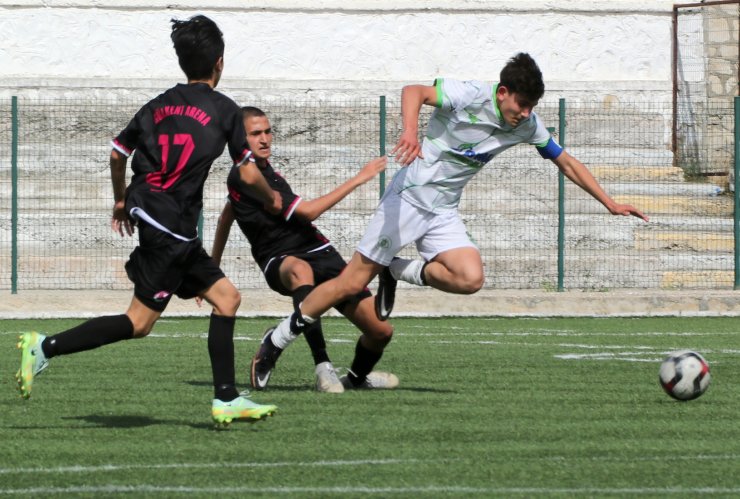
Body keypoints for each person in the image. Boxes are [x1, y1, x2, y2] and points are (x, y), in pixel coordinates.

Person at [267, 52, 649, 378]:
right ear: (502, 93)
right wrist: (410, 132)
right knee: (349, 284)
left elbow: (565, 161)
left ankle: (396, 270)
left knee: (470, 278)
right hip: (411, 196)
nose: (526, 114)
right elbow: (413, 91)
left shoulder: (527, 125)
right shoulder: (469, 95)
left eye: (532, 107)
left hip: (443, 210)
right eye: (521, 104)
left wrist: (609, 202)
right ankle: (276, 340)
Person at [15, 15, 280, 429]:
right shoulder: (226, 110)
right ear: (220, 64)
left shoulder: (157, 105)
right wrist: (272, 196)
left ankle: (226, 398)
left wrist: (121, 199)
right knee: (138, 323)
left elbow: (118, 153)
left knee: (227, 298)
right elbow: (247, 173)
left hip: (159, 217)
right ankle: (44, 347)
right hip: (171, 225)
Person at [209, 106, 396, 393]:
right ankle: (323, 366)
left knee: (381, 331)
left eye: (268, 132)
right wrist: (360, 178)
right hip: (279, 258)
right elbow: (308, 212)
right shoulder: (243, 175)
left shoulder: (264, 172)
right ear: (240, 139)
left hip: (320, 250)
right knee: (300, 270)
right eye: (255, 133)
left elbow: (227, 214)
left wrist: (214, 263)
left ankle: (357, 379)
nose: (264, 139)